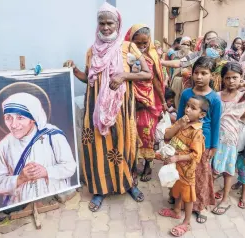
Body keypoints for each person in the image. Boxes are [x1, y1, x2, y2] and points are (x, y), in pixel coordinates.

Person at [64, 3, 152, 211]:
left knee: (125, 143)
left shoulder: (128, 48)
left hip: (121, 107)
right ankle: (100, 189)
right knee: (98, 146)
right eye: (101, 23)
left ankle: (128, 184)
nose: (105, 27)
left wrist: (124, 75)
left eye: (109, 23)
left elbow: (147, 73)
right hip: (95, 108)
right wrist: (75, 70)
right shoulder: (92, 51)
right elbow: (89, 79)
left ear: (117, 23)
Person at [0, 93, 77, 206]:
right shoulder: (4, 146)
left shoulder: (53, 136)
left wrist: (46, 172)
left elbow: (70, 166)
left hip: (53, 197)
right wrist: (20, 178)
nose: (13, 125)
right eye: (8, 118)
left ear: (33, 119)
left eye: (20, 117)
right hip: (21, 204)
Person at [176, 57, 220, 223]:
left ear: (212, 76)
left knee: (201, 175)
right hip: (184, 139)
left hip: (203, 143)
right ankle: (181, 202)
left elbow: (216, 123)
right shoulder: (187, 93)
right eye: (196, 73)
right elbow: (180, 117)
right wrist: (176, 138)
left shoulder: (214, 98)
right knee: (183, 173)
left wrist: (214, 146)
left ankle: (199, 206)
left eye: (204, 73)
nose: (199, 77)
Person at [212, 62, 245, 215]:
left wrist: (242, 84)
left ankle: (225, 200)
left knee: (228, 170)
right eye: (227, 78)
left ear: (240, 78)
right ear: (222, 79)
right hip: (215, 137)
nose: (231, 81)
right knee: (211, 168)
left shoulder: (241, 96)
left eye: (235, 78)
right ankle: (207, 195)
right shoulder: (217, 96)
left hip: (230, 139)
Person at [158, 95, 207, 236]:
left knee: (187, 195)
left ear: (201, 114)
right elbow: (167, 135)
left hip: (187, 169)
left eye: (193, 108)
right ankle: (176, 211)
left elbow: (196, 155)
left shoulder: (197, 131)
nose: (188, 110)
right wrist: (178, 124)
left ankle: (187, 222)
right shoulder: (181, 123)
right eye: (187, 106)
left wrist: (177, 157)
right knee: (177, 189)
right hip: (176, 167)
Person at [125, 24, 166, 182]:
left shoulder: (152, 57)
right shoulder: (125, 57)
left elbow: (156, 81)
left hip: (148, 102)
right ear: (130, 41)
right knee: (132, 133)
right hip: (131, 101)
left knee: (148, 134)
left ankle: (148, 165)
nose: (142, 47)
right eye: (138, 43)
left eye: (145, 43)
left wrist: (162, 102)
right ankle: (133, 167)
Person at [162, 37, 228, 92]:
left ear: (222, 52)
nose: (212, 49)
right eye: (210, 46)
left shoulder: (225, 65)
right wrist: (162, 62)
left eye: (216, 47)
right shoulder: (198, 58)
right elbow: (180, 62)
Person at [170, 37, 193, 108]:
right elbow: (172, 68)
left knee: (185, 102)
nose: (186, 46)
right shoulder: (175, 54)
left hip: (187, 82)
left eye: (188, 44)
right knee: (175, 100)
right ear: (180, 44)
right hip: (176, 81)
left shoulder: (192, 55)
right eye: (184, 44)